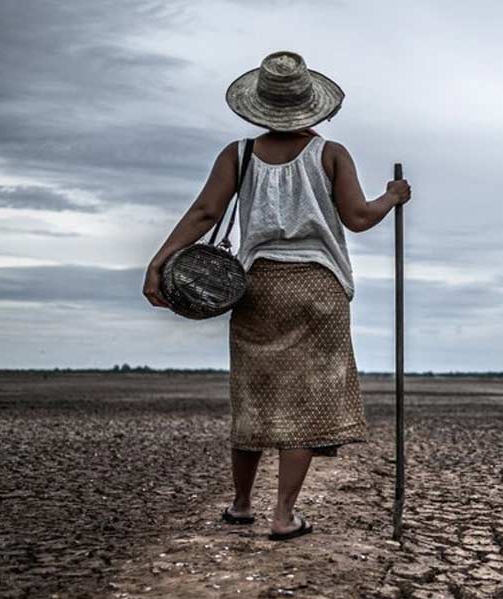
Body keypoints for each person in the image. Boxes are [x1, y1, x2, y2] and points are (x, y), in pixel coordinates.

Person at [142, 51, 410, 541]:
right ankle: (284, 516)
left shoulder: (238, 154)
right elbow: (357, 217)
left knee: (253, 395)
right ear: (313, 107)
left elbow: (205, 213)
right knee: (305, 404)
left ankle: (242, 504)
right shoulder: (330, 153)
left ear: (259, 106)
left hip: (257, 286)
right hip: (319, 288)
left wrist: (160, 260)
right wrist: (392, 198)